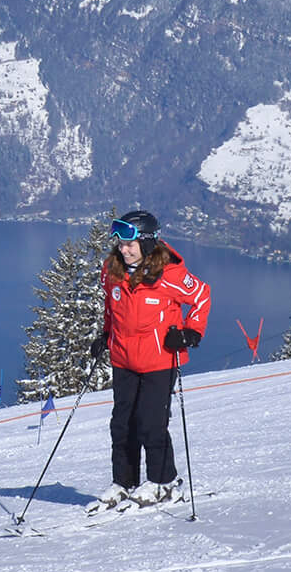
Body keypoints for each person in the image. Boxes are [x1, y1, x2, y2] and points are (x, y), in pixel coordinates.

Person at [87, 210, 213, 511]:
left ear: (146, 242)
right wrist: (106, 334)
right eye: (120, 242)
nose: (123, 249)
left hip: (159, 359)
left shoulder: (170, 275)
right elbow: (111, 305)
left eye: (130, 244)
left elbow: (203, 296)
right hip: (124, 358)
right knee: (122, 424)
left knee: (151, 424)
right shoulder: (112, 270)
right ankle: (124, 482)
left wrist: (190, 332)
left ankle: (163, 483)